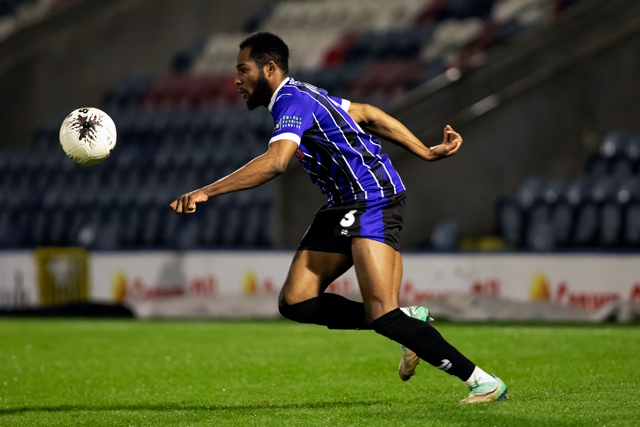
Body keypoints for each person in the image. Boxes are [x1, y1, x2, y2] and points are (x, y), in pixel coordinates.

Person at [170, 32, 507, 403]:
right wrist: (423, 151)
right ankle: (410, 319)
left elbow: (276, 162)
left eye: (243, 70)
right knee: (296, 302)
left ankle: (482, 381)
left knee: (383, 316)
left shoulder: (291, 100)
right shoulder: (305, 94)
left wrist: (207, 190)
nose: (236, 79)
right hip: (343, 204)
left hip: (372, 200)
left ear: (269, 68)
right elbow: (367, 113)